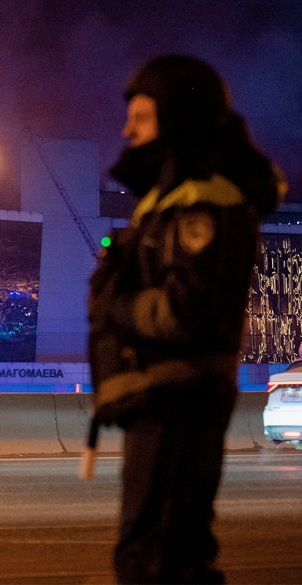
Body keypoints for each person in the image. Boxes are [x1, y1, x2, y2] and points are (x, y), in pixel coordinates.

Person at [87, 55, 286, 584]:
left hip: (179, 398)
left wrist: (114, 305)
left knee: (158, 560)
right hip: (159, 397)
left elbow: (185, 313)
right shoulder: (169, 198)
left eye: (143, 116)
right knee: (162, 555)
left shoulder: (207, 201)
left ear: (179, 118)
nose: (127, 129)